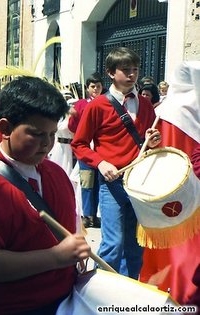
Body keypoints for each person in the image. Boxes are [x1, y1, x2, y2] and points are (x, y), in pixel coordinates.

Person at [0, 76, 91, 314]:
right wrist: (55, 257)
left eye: (52, 134)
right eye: (36, 134)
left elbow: (71, 227)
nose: (47, 144)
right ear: (5, 128)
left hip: (63, 302)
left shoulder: (57, 174)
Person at [71, 47, 161, 279]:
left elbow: (149, 143)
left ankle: (127, 293)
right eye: (126, 70)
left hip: (140, 183)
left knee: (135, 246)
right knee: (113, 243)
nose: (132, 75)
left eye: (135, 70)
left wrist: (153, 142)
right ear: (111, 73)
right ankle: (99, 293)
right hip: (111, 183)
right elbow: (79, 144)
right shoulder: (97, 105)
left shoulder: (146, 104)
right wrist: (100, 163)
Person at [140, 62, 200, 305]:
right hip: (193, 189)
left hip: (172, 191)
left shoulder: (165, 110)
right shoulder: (184, 110)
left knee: (172, 249)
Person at [68, 72, 104, 228]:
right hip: (86, 149)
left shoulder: (107, 102)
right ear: (88, 88)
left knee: (100, 184)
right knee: (87, 183)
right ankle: (87, 215)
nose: (96, 89)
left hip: (103, 150)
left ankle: (96, 215)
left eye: (98, 86)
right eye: (93, 86)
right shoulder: (81, 104)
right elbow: (71, 126)